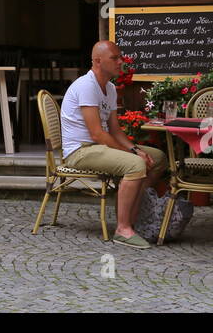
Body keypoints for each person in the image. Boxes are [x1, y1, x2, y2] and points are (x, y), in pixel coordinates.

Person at [59, 41, 169, 248]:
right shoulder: (86, 85)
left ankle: (130, 211)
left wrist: (134, 149)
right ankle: (123, 229)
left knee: (158, 158)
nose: (121, 61)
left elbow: (115, 130)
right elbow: (97, 134)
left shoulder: (109, 88)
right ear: (98, 61)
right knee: (135, 164)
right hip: (81, 150)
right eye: (115, 58)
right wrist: (134, 155)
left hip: (98, 147)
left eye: (120, 57)